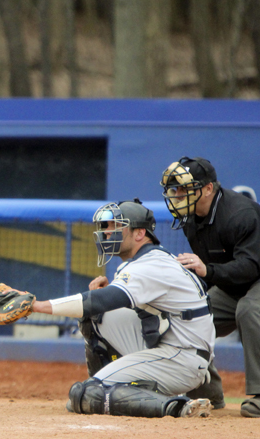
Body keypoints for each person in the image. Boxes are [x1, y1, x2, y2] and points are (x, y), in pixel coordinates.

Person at [13, 199, 215, 418]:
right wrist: (101, 299)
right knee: (97, 315)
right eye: (106, 227)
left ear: (139, 234)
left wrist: (36, 306)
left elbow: (101, 300)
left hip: (181, 358)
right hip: (180, 350)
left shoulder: (151, 265)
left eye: (115, 227)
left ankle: (176, 407)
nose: (107, 232)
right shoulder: (148, 260)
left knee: (87, 395)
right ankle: (115, 385)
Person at [161, 156, 260, 418]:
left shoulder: (241, 214)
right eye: (175, 189)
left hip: (256, 275)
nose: (178, 195)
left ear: (208, 188)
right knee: (190, 317)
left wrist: (208, 270)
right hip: (233, 283)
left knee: (249, 309)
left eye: (186, 188)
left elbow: (251, 266)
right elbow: (212, 272)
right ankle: (206, 393)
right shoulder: (190, 218)